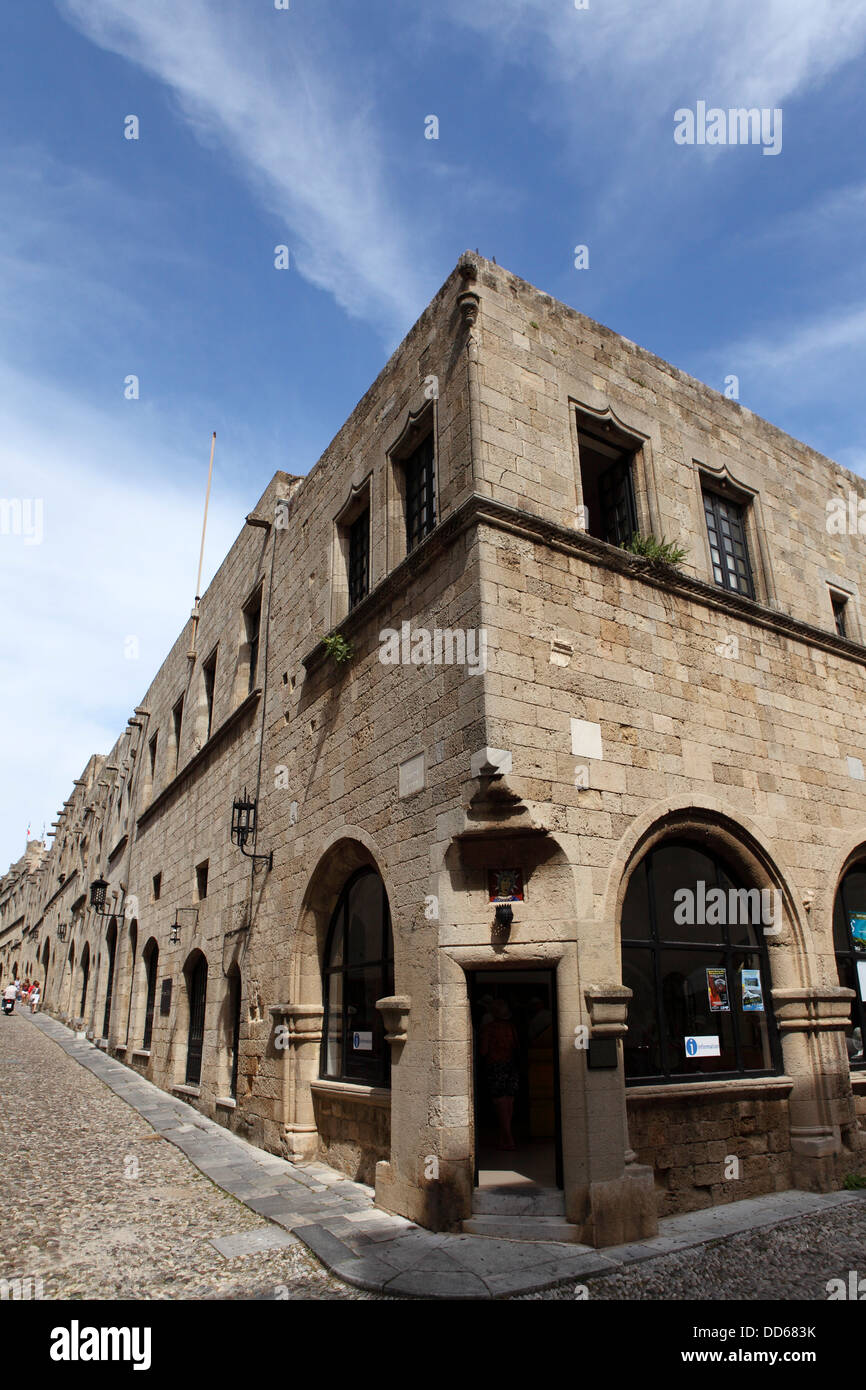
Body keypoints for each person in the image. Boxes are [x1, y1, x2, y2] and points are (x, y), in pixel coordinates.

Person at [479, 998, 520, 1151]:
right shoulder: (511, 1028)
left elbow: (483, 1050)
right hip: (511, 1065)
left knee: (500, 1103)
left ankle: (508, 1138)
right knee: (509, 1102)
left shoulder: (488, 1029)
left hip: (496, 1066)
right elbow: (516, 1046)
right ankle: (505, 1138)